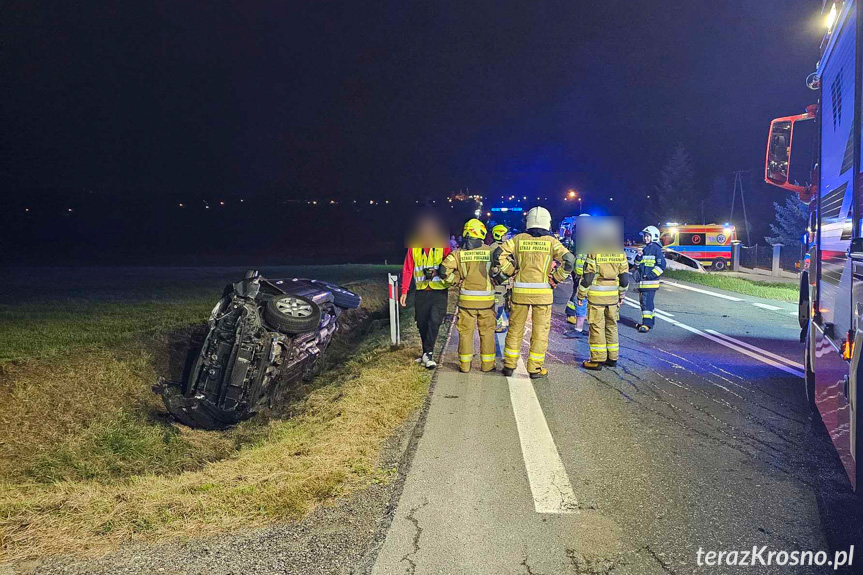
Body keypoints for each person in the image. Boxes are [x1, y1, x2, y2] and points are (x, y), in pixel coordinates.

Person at [495, 207, 575, 379]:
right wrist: (556, 278)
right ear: (547, 222)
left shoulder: (517, 239)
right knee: (540, 332)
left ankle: (509, 365)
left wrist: (511, 270)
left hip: (520, 292)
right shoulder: (551, 242)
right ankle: (535, 369)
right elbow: (569, 260)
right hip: (543, 294)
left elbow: (497, 254)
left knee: (515, 328)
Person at [439, 219, 496, 373]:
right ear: (482, 233)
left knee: (465, 333)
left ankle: (464, 365)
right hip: (487, 302)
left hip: (466, 301)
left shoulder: (458, 253)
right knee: (487, 332)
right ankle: (487, 365)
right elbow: (504, 270)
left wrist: (455, 280)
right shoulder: (490, 251)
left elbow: (443, 271)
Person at [400, 215, 451, 368]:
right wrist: (404, 291)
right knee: (422, 323)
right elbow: (408, 269)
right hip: (422, 291)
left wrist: (438, 272)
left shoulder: (443, 245)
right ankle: (425, 353)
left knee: (435, 321)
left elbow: (451, 263)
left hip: (439, 290)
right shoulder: (414, 247)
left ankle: (428, 354)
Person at [578, 250, 630, 370]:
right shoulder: (620, 253)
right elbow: (624, 278)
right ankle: (612, 358)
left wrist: (581, 295)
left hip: (597, 296)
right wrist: (621, 295)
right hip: (613, 297)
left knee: (597, 326)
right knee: (612, 326)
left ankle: (597, 360)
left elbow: (588, 277)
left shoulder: (594, 252)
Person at [634, 225, 666, 333]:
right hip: (644, 283)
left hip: (650, 283)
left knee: (646, 304)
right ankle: (649, 322)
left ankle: (646, 324)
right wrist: (638, 257)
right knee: (646, 303)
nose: (646, 238)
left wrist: (649, 276)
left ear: (654, 236)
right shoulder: (645, 249)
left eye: (648, 236)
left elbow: (661, 266)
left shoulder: (656, 249)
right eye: (645, 236)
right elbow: (637, 264)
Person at [488, 224, 511, 333]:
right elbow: (495, 267)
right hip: (499, 282)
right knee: (498, 304)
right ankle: (493, 325)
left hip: (502, 281)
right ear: (499, 235)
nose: (507, 236)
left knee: (501, 303)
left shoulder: (496, 246)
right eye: (505, 234)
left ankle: (496, 323)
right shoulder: (495, 248)